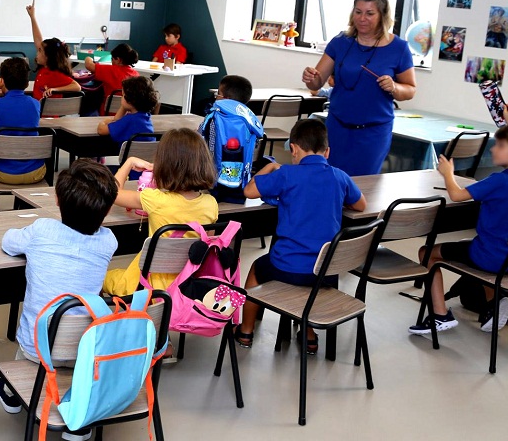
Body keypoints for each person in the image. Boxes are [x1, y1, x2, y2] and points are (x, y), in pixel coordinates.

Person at [0, 160, 119, 419]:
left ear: (57, 200)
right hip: (82, 350)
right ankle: (80, 417)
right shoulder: (109, 241)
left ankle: (13, 394)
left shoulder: (42, 229)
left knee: (27, 346)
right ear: (107, 211)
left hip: (35, 349)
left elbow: (8, 242)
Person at [234, 119, 366, 354]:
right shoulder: (340, 177)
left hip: (288, 267)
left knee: (256, 269)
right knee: (309, 282)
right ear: (327, 152)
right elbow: (361, 205)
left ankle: (245, 332)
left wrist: (271, 167)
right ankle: (308, 334)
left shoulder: (287, 174)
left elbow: (249, 191)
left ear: (293, 149)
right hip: (326, 272)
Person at [409, 122, 508, 335]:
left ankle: (440, 316)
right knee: (472, 247)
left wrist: (448, 174)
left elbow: (456, 195)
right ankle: (493, 305)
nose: (493, 149)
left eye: (500, 146)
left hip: (489, 257)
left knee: (427, 253)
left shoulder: (499, 181)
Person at [301, 0, 416, 176]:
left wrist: (394, 87)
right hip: (337, 127)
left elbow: (410, 90)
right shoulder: (340, 42)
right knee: (329, 180)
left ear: (382, 16)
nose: (362, 18)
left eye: (370, 13)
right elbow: (316, 83)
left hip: (373, 133)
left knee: (362, 185)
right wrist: (310, 78)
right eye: (358, 12)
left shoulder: (399, 48)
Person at [102, 128, 219, 296]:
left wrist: (129, 162)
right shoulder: (211, 204)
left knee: (102, 277)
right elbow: (206, 245)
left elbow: (112, 193)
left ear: (165, 165)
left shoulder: (155, 199)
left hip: (148, 286)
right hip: (186, 286)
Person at [0, 57, 45, 212]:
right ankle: (24, 208)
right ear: (27, 82)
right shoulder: (35, 104)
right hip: (35, 171)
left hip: (5, 172)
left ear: (2, 81)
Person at [203, 74, 265, 204]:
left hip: (214, 184)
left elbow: (200, 140)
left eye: (218, 94)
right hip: (241, 186)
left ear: (225, 98)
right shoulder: (248, 118)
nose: (216, 97)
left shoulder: (215, 115)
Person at [25, 0, 81, 101]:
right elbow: (38, 40)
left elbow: (77, 87)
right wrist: (32, 17)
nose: (37, 52)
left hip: (47, 111)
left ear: (48, 56)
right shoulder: (44, 68)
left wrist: (55, 89)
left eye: (40, 51)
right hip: (38, 109)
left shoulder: (55, 74)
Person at [97, 75, 158, 144]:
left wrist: (103, 122)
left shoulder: (129, 120)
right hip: (145, 151)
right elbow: (117, 120)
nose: (121, 98)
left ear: (130, 100)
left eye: (123, 95)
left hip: (125, 151)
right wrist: (124, 107)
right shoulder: (145, 117)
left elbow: (101, 130)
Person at [85, 43, 139, 114]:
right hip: (128, 114)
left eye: (112, 59)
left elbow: (89, 65)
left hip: (107, 113)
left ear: (118, 60)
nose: (111, 62)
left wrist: (88, 58)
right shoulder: (136, 75)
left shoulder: (111, 70)